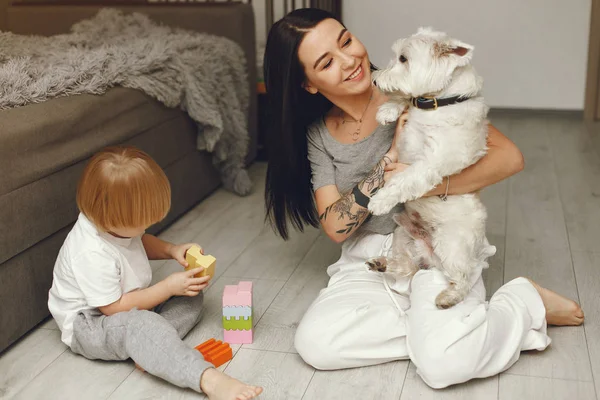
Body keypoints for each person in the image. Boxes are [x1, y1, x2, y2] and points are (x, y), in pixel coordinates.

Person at [263, 8, 584, 389]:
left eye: (346, 41)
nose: (350, 60)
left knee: (444, 366)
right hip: (369, 262)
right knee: (314, 343)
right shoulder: (319, 135)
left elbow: (509, 158)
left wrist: (426, 186)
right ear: (309, 84)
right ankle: (449, 326)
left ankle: (523, 303)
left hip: (439, 244)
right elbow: (335, 226)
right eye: (327, 62)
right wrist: (389, 158)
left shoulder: (419, 89)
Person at [48, 146, 262, 400]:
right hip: (92, 324)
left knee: (192, 294)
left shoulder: (114, 222)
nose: (148, 226)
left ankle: (150, 349)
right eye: (143, 222)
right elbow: (113, 309)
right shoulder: (90, 251)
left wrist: (172, 250)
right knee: (141, 325)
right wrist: (167, 288)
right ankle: (207, 379)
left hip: (128, 309)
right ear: (111, 220)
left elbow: (139, 240)